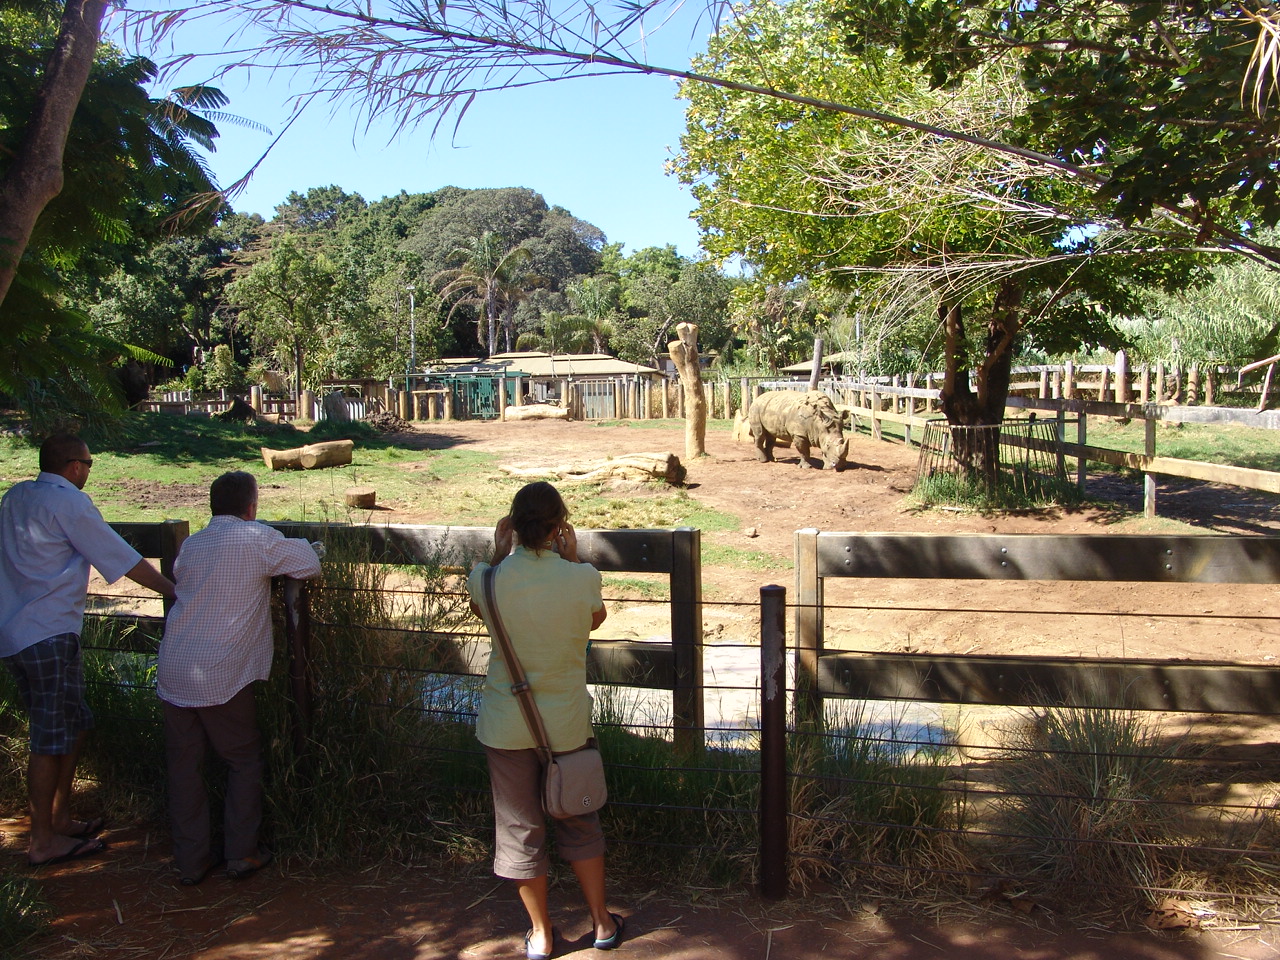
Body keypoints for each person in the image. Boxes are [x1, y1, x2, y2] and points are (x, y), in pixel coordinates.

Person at [0, 433, 176, 867]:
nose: (89, 471)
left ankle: (58, 817)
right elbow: (120, 557)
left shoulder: (16, 496)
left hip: (17, 631)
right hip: (48, 631)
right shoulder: (70, 503)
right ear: (75, 466)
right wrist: (174, 590)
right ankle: (42, 840)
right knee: (49, 736)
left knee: (75, 722)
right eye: (90, 463)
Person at [467, 481, 622, 960]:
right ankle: (601, 922)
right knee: (579, 819)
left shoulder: (486, 579)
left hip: (506, 724)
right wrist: (572, 560)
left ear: (512, 526)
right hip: (568, 724)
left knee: (519, 828)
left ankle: (541, 934)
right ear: (559, 527)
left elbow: (480, 610)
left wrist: (497, 554)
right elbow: (594, 620)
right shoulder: (583, 577)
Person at [156, 471, 323, 886]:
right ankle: (242, 851)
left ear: (213, 507)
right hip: (222, 674)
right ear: (252, 507)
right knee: (243, 760)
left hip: (176, 667)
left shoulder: (192, 544)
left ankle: (191, 860)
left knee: (184, 768)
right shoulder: (257, 538)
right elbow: (309, 563)